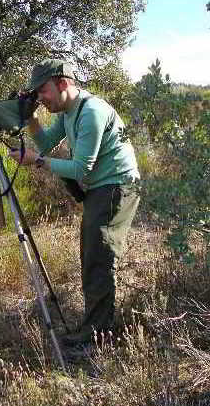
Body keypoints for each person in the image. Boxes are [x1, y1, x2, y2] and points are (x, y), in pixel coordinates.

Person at [9, 59, 140, 346]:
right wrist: (30, 118)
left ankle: (97, 337)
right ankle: (94, 327)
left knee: (98, 258)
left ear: (63, 83)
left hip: (117, 185)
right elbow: (45, 144)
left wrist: (37, 162)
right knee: (92, 254)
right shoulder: (68, 110)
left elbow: (82, 169)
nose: (40, 99)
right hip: (102, 186)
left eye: (42, 92)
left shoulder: (90, 111)